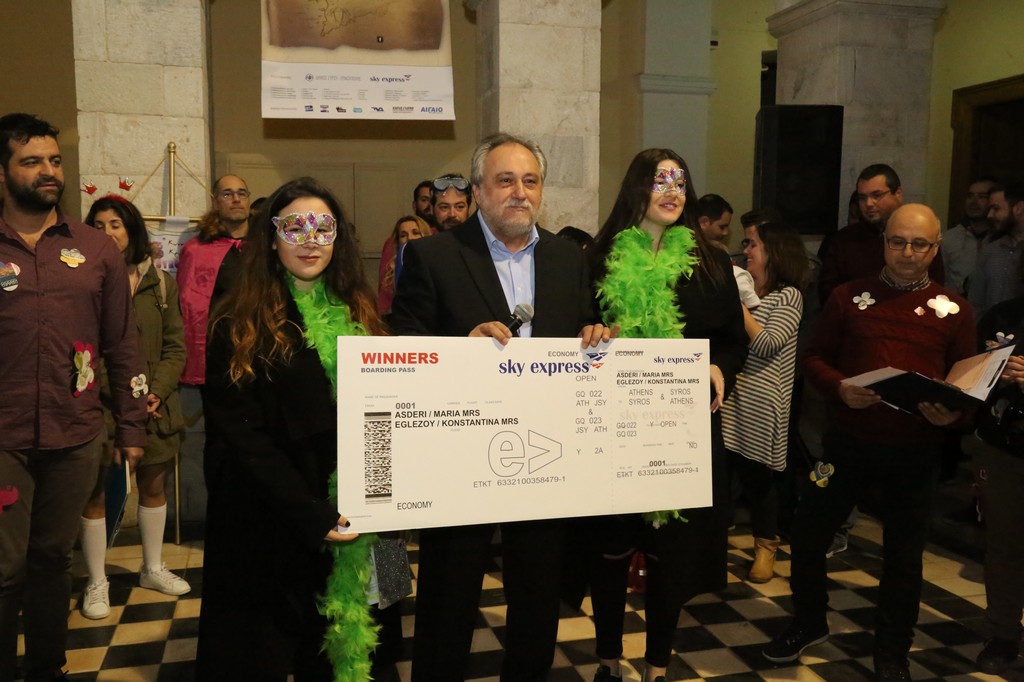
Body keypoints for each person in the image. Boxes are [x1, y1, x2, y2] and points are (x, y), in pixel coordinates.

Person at [390, 132, 613, 681]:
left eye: (530, 181)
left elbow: (582, 325)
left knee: (538, 601)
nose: (520, 192)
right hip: (460, 458)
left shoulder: (567, 257)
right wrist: (458, 349)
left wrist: (595, 332)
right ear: (478, 191)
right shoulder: (433, 255)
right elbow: (405, 345)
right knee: (448, 601)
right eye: (506, 180)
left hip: (544, 457)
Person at [196, 177, 401, 680]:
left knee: (367, 644)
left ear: (338, 238)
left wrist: (471, 350)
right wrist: (311, 514)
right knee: (269, 647)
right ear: (271, 238)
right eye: (295, 227)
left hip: (368, 515)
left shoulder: (362, 310)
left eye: (323, 227)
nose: (310, 240)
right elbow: (241, 435)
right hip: (277, 515)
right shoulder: (235, 320)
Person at [763, 204, 975, 681]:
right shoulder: (848, 296)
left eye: (919, 244)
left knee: (904, 557)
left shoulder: (955, 310)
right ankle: (809, 621)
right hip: (846, 446)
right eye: (898, 241)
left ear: (935, 248)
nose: (907, 252)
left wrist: (954, 414)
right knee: (808, 534)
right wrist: (838, 387)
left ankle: (892, 651)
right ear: (884, 242)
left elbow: (967, 387)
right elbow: (814, 357)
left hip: (915, 452)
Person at [587, 149, 747, 682]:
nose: (672, 190)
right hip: (612, 428)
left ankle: (658, 665)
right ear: (637, 188)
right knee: (610, 550)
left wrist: (721, 367)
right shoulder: (598, 257)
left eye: (680, 181)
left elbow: (732, 340)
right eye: (660, 180)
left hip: (683, 431)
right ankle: (607, 661)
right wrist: (588, 333)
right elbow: (575, 328)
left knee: (670, 555)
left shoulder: (712, 262)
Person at [0, 113, 147, 681]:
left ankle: (47, 668)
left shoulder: (95, 248)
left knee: (51, 560)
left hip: (76, 434)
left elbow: (123, 344)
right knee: (5, 567)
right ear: (3, 171)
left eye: (55, 160)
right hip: (3, 439)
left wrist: (131, 426)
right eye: (31, 161)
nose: (48, 171)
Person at [77, 195, 189, 620]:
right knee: (95, 494)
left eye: (116, 224)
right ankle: (96, 580)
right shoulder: (83, 282)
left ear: (132, 230)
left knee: (154, 487)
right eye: (99, 225)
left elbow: (175, 347)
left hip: (156, 407)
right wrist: (127, 396)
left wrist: (153, 392)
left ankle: (152, 568)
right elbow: (86, 351)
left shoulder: (160, 283)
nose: (108, 233)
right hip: (101, 407)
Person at [721, 222, 807, 583]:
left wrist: (737, 304)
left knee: (758, 479)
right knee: (721, 479)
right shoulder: (747, 292)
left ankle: (766, 547)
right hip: (730, 396)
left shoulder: (789, 296)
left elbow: (767, 343)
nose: (746, 251)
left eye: (752, 244)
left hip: (761, 403)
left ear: (775, 252)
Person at [968, 297, 1024, 674]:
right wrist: (994, 375)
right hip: (1004, 448)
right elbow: (968, 380)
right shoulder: (1004, 315)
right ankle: (1003, 634)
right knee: (1004, 546)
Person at [817, 164, 943, 305]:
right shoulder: (844, 240)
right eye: (862, 198)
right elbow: (828, 293)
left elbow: (934, 287)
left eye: (877, 195)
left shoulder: (921, 237)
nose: (869, 204)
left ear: (898, 194)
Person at [176, 174, 250, 387]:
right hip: (218, 356)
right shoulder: (196, 250)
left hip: (261, 351)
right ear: (215, 202)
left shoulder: (267, 246)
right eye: (227, 194)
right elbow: (187, 308)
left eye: (242, 193)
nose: (236, 199)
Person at [970, 181, 1024, 318]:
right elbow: (976, 303)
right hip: (989, 329)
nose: (990, 215)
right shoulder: (990, 250)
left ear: (1019, 209)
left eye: (996, 208)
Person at [941, 177, 997, 295]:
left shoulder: (1003, 240)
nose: (974, 202)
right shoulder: (950, 238)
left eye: (982, 197)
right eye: (970, 196)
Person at [377, 214, 430, 314]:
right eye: (403, 235)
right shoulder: (392, 274)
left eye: (415, 233)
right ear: (398, 242)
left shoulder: (437, 267)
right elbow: (384, 309)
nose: (410, 238)